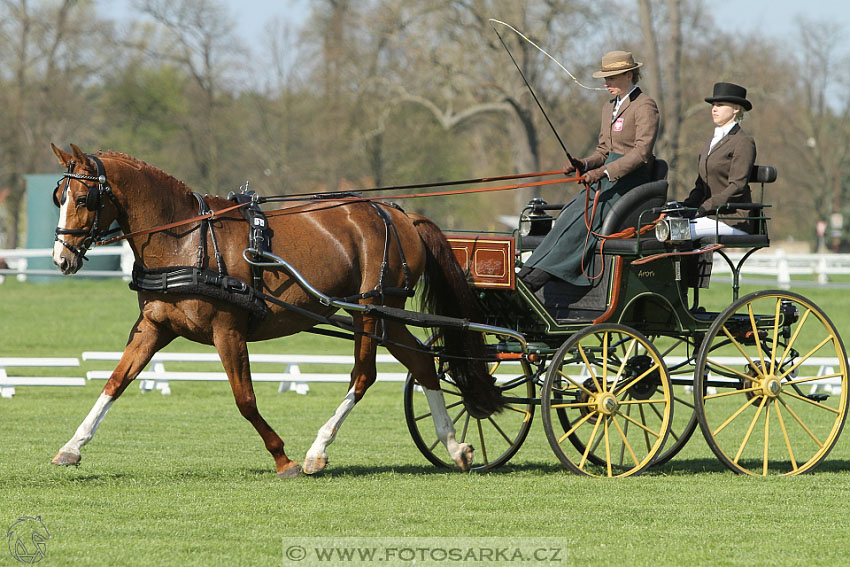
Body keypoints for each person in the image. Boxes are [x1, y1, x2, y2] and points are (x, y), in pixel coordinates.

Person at [520, 50, 659, 291]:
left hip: (631, 181)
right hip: (607, 179)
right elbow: (604, 150)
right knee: (567, 215)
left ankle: (539, 278)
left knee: (583, 221)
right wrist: (583, 164)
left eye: (612, 78)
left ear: (629, 75)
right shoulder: (609, 107)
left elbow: (641, 153)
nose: (607, 83)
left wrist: (604, 172)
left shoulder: (645, 105)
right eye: (605, 78)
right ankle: (527, 271)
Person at [682, 82, 756, 238]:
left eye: (720, 105)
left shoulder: (743, 142)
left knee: (681, 232)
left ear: (736, 108)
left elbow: (737, 186)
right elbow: (700, 186)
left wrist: (705, 206)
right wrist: (685, 206)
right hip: (708, 215)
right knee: (669, 226)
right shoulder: (710, 142)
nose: (714, 109)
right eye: (713, 105)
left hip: (733, 218)